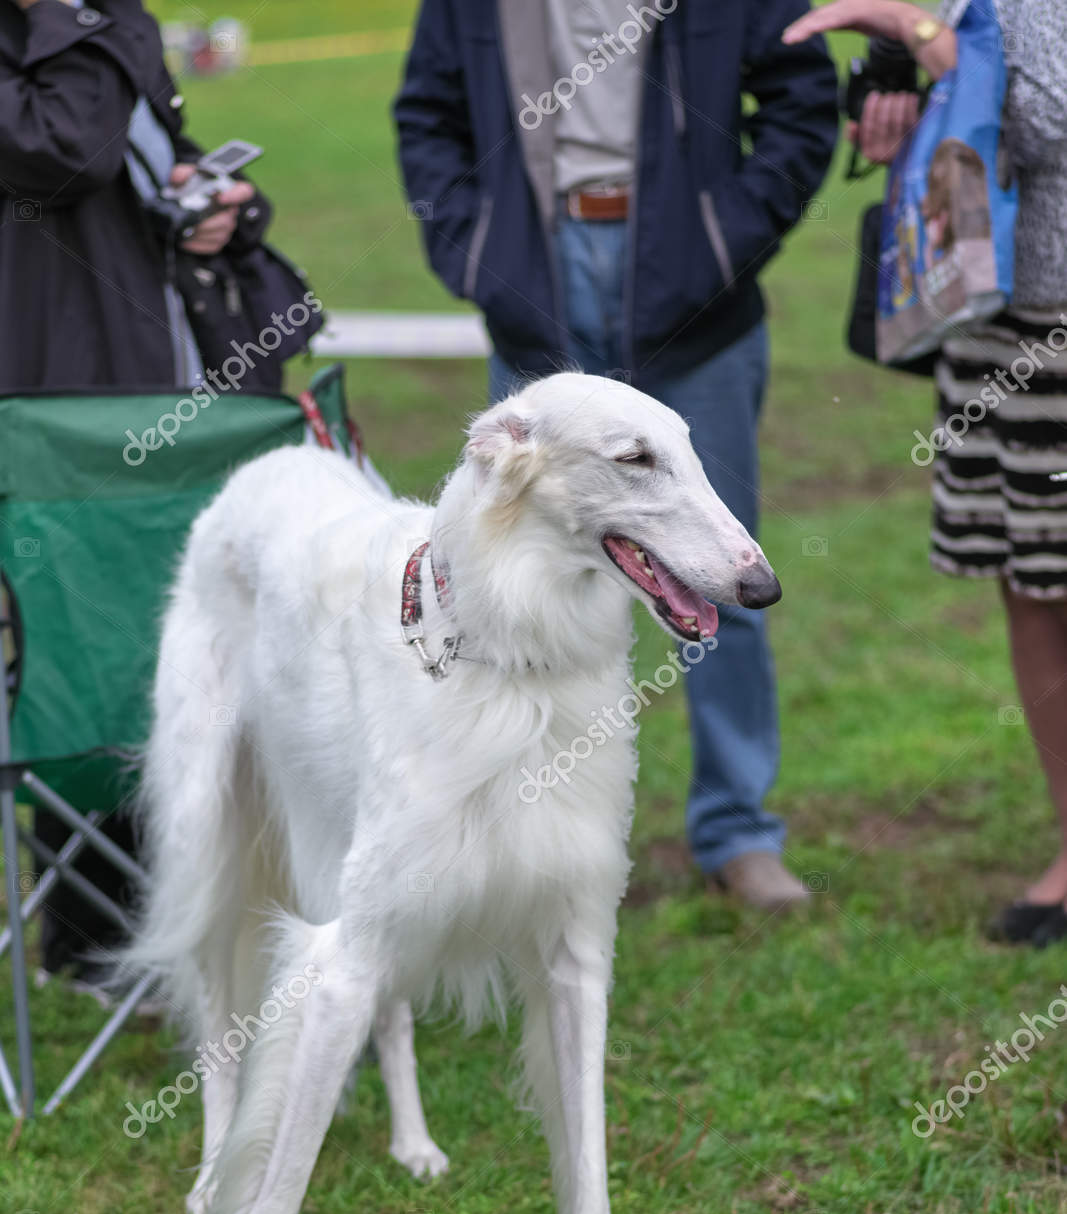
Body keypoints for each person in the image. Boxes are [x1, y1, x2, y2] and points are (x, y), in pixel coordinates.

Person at [395, 0, 839, 911]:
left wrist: (721, 235)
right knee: (504, 584)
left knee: (722, 567)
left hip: (695, 293)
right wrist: (478, 251)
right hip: (534, 275)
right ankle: (524, 842)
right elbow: (427, 116)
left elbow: (801, 95)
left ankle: (736, 833)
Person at [0, 0, 320, 988]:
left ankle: (176, 919)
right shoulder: (79, 29)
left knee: (167, 643)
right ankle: (103, 938)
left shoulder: (97, 25)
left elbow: (139, 158)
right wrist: (81, 17)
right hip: (61, 409)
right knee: (93, 646)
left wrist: (213, 205)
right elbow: (58, 150)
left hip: (158, 375)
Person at [786, 0, 1067, 946]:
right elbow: (963, 77)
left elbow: (1043, 116)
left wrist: (905, 29)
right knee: (1027, 585)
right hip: (984, 306)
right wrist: (890, 78)